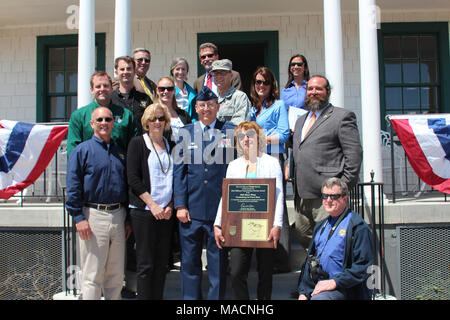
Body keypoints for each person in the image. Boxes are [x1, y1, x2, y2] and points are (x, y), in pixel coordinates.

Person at [173, 86, 235, 300]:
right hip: (191, 210)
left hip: (219, 211)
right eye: (202, 105)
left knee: (217, 264)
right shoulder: (185, 133)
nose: (206, 109)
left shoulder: (230, 130)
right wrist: (180, 205)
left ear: (217, 107)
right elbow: (179, 171)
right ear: (196, 108)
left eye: (210, 105)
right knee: (189, 262)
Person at [292, 75, 363, 251]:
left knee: (331, 241)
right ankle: (316, 271)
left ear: (328, 92)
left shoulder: (342, 117)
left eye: (318, 89)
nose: (313, 92)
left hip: (328, 195)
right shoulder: (301, 120)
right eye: (310, 89)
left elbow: (354, 155)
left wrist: (341, 187)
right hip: (302, 194)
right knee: (304, 235)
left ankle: (330, 275)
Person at [214, 121, 283, 300]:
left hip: (266, 226)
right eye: (242, 136)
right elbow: (226, 197)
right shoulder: (233, 165)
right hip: (239, 227)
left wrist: (277, 225)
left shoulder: (272, 163)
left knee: (265, 274)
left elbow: (279, 196)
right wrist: (218, 223)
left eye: (250, 135)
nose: (246, 139)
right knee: (236, 272)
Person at [66, 107, 129, 300]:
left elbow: (126, 186)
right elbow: (73, 185)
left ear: (113, 123)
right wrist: (78, 217)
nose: (104, 123)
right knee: (92, 274)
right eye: (99, 119)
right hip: (93, 216)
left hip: (118, 215)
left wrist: (128, 220)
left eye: (108, 119)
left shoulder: (120, 153)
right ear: (92, 124)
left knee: (116, 275)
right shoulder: (82, 151)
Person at [126, 103, 174, 300]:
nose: (157, 122)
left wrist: (170, 205)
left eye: (161, 118)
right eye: (153, 118)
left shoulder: (170, 144)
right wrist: (152, 205)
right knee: (146, 265)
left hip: (166, 213)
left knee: (162, 264)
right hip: (144, 212)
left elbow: (175, 178)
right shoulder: (138, 143)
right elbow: (133, 179)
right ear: (146, 122)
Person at [297, 177, 373, 300]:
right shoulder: (321, 226)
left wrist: (334, 282)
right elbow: (308, 263)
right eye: (325, 196)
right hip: (320, 285)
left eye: (334, 196)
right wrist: (303, 292)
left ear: (345, 198)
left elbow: (362, 267)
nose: (328, 200)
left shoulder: (357, 227)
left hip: (344, 289)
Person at [249, 66, 291, 273]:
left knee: (277, 202)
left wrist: (259, 140)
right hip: (256, 158)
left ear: (271, 85)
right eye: (258, 82)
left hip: (273, 156)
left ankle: (281, 258)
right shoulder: (253, 108)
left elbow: (284, 135)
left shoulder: (279, 105)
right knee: (260, 202)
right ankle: (263, 251)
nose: (261, 86)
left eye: (265, 82)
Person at [67, 71, 136, 156]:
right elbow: (73, 150)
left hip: (119, 166)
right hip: (89, 167)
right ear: (92, 90)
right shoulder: (78, 116)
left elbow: (133, 148)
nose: (102, 89)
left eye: (106, 86)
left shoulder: (126, 115)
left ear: (112, 89)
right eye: (98, 86)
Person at [111, 55, 151, 135]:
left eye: (129, 69)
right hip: (118, 146)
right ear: (116, 72)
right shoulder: (110, 100)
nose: (125, 72)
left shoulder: (145, 99)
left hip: (140, 144)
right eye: (122, 69)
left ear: (135, 71)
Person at [211, 59, 251, 126]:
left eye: (223, 73)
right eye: (216, 73)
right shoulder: (211, 99)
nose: (219, 76)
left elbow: (239, 126)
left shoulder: (240, 97)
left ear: (231, 75)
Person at [155, 77, 192, 142]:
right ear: (157, 91)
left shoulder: (184, 115)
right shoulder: (152, 114)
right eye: (162, 89)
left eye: (170, 89)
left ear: (174, 91)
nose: (166, 91)